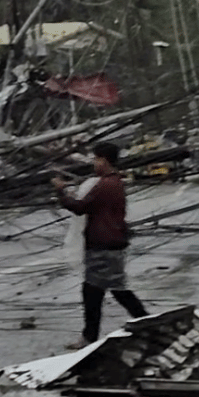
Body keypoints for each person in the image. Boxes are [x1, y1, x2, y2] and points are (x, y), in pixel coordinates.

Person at [52, 142, 148, 350]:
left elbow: (79, 208)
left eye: (95, 159)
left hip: (103, 246)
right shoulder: (114, 182)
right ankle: (93, 336)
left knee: (107, 292)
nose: (94, 163)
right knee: (102, 291)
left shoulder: (104, 185)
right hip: (109, 243)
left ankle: (147, 325)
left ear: (104, 160)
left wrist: (61, 192)